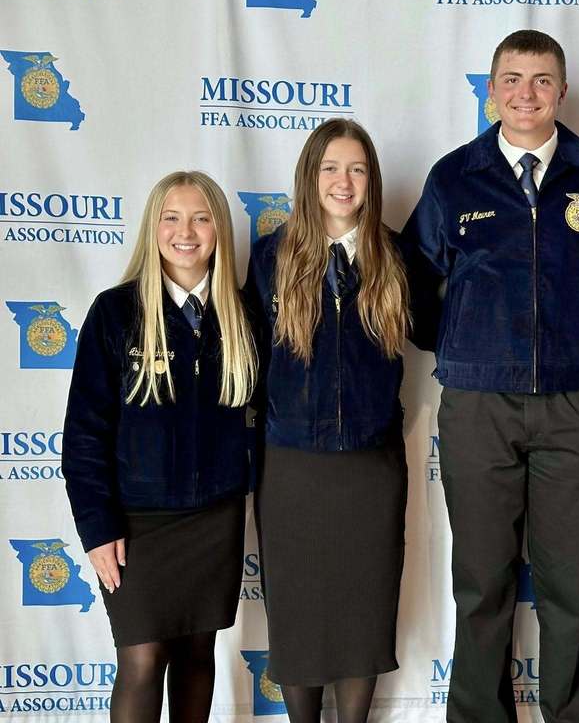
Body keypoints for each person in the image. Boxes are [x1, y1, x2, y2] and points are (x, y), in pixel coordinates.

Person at [400, 29, 579, 723]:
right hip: (478, 407)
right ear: (491, 90)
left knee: (570, 587)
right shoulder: (454, 178)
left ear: (561, 93)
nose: (525, 94)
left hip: (575, 404)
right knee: (481, 584)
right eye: (511, 79)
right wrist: (460, 346)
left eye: (540, 81)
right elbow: (412, 279)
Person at [62, 171, 257, 722]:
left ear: (218, 228)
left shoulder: (241, 316)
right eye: (171, 218)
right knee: (143, 658)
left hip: (215, 515)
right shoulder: (115, 313)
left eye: (200, 217)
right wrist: (98, 529)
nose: (185, 231)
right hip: (137, 523)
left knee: (198, 651)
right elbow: (83, 435)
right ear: (153, 229)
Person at [245, 118, 411, 723]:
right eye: (332, 168)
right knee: (299, 608)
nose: (345, 181)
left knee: (365, 606)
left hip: (371, 462)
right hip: (292, 464)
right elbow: (249, 363)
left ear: (372, 180)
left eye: (358, 169)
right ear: (310, 177)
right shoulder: (271, 257)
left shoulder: (394, 255)